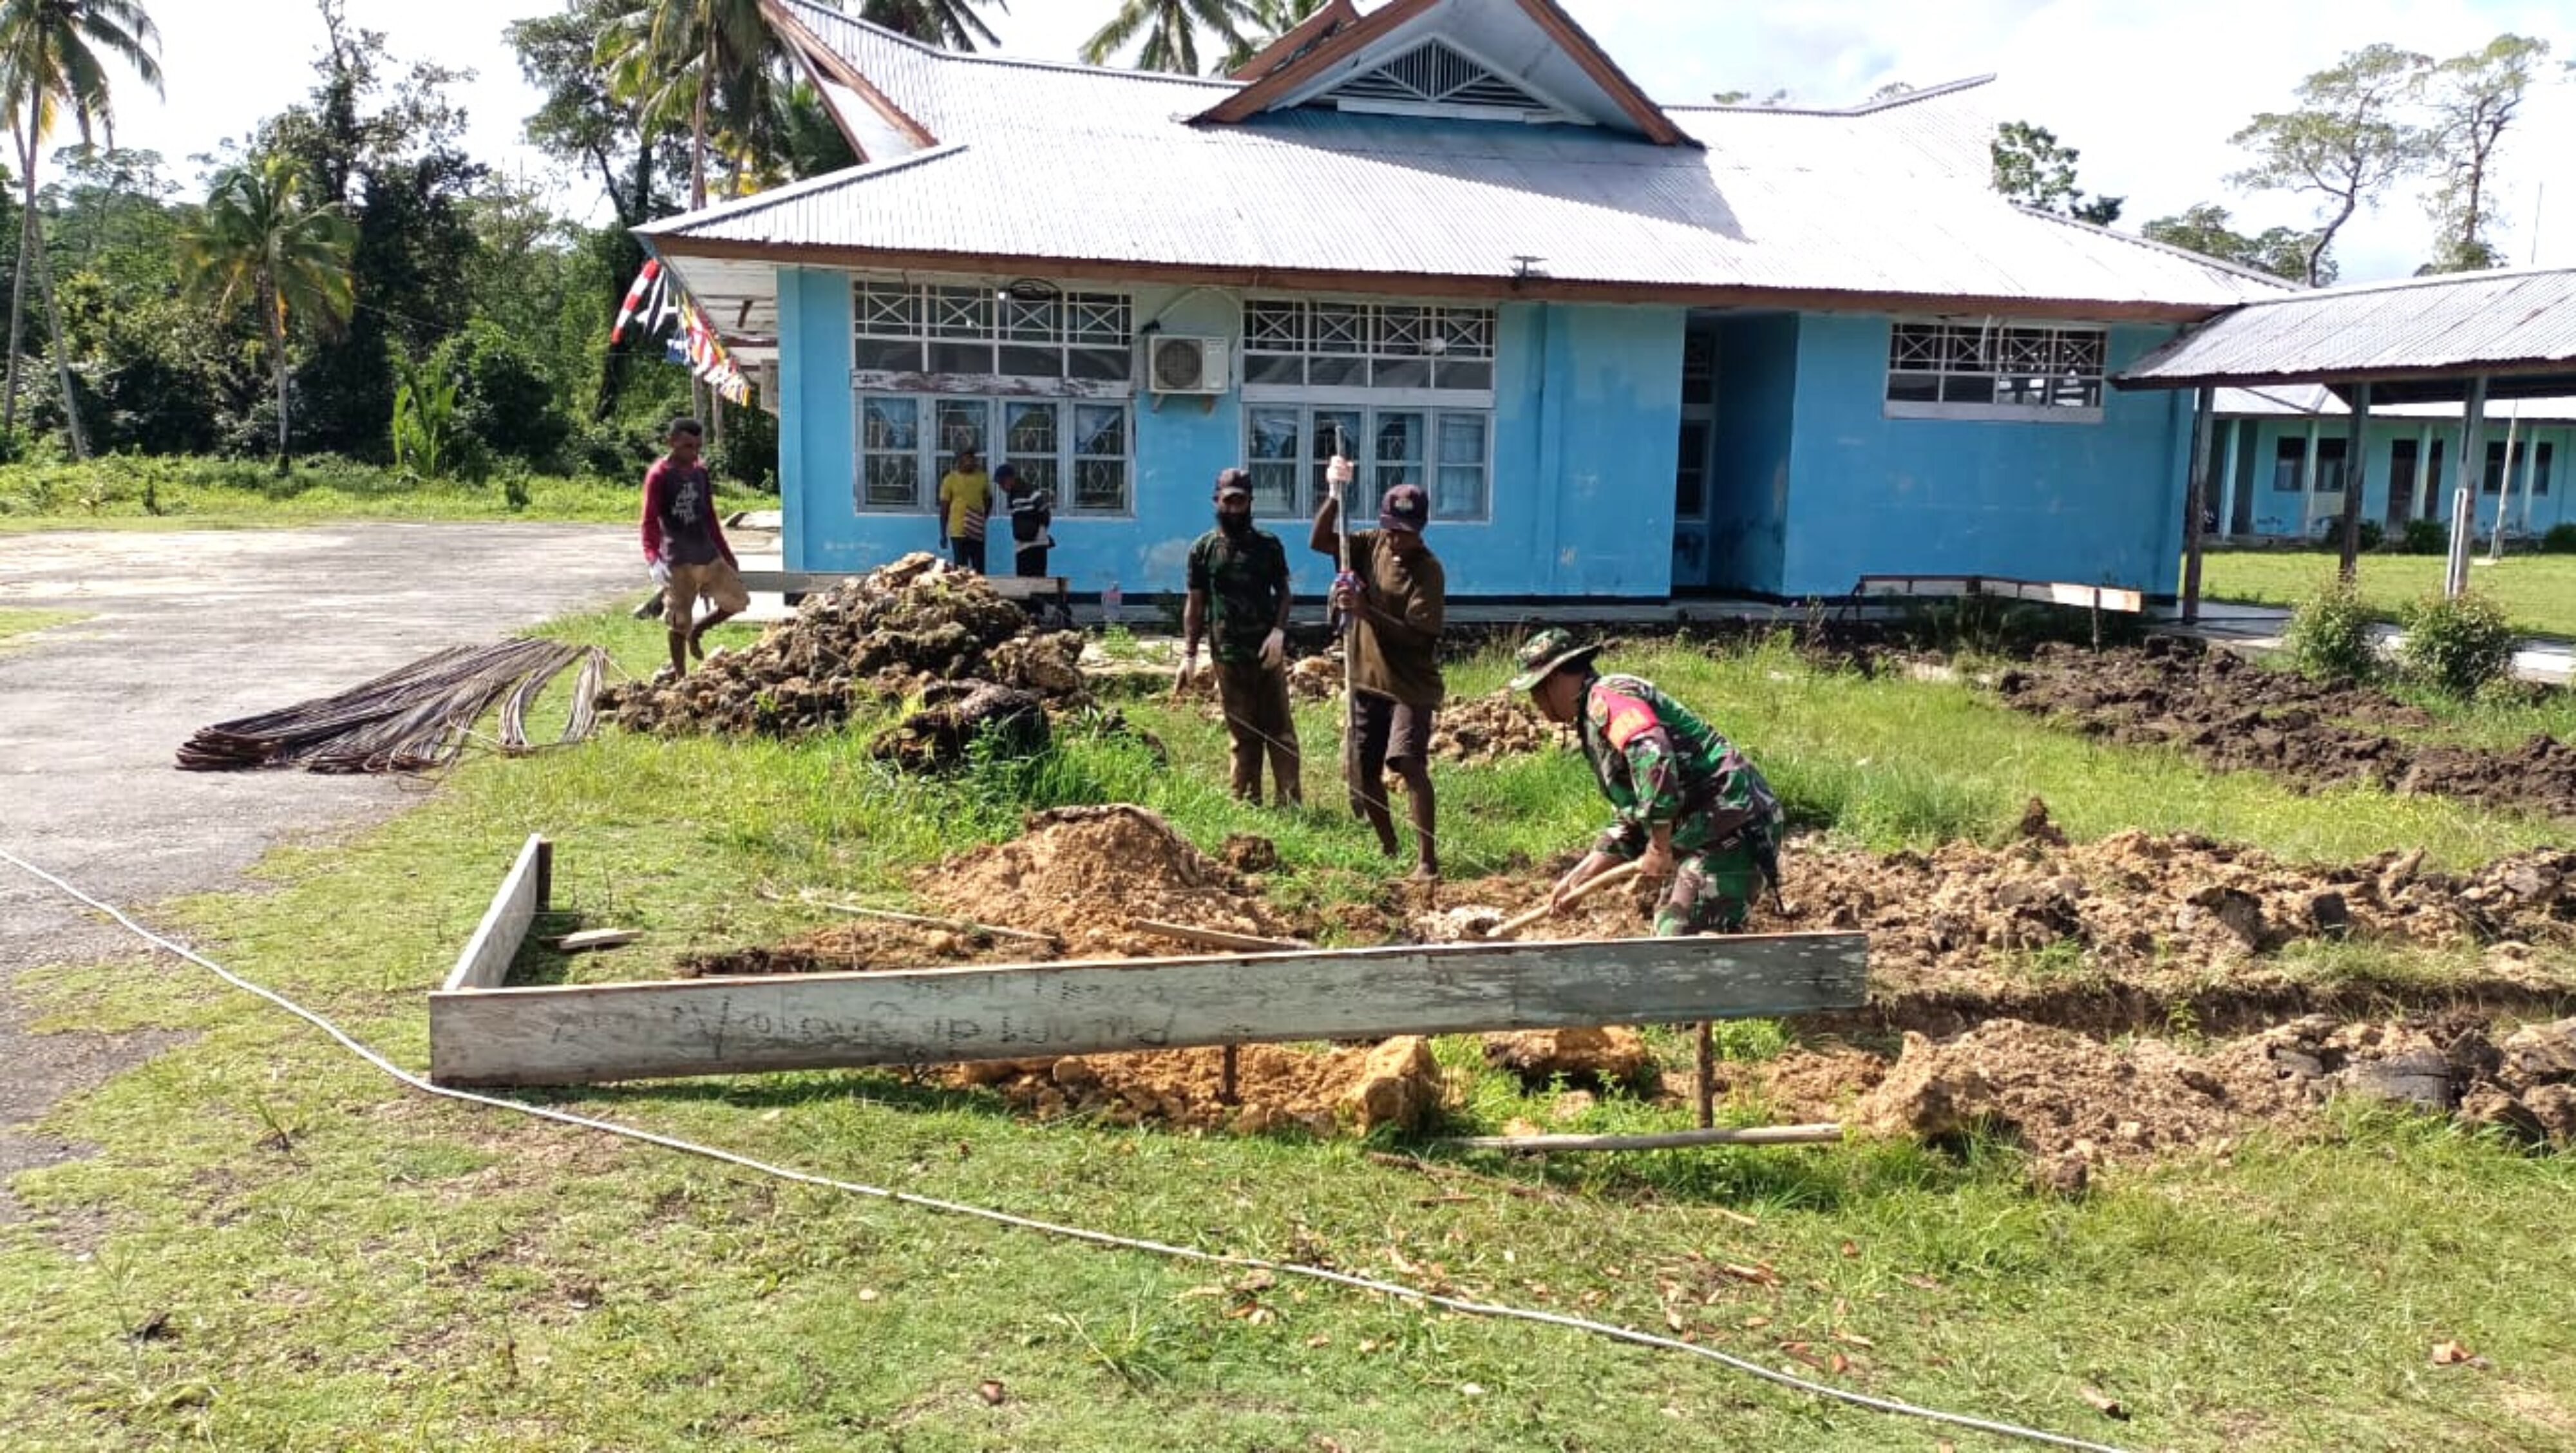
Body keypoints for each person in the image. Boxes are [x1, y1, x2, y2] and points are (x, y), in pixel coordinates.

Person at [1511, 629, 1784, 935]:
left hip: (1732, 824)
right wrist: (1581, 877)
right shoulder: (1594, 717)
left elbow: (1653, 757)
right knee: (1673, 935)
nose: (1535, 701)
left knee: (1681, 939)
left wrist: (1659, 844)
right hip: (1707, 831)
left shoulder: (1607, 697)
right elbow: (1633, 816)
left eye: (1536, 690)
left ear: (1555, 679)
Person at [1311, 458, 1444, 878]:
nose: (1395, 538)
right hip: (1368, 680)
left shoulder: (1428, 572)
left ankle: (1427, 861)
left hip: (1409, 686)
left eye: (1404, 532)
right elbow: (1320, 541)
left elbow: (1417, 637)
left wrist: (1367, 612)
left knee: (1406, 764)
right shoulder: (1370, 544)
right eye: (1390, 528)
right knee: (1363, 771)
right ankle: (1388, 847)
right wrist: (1333, 496)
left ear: (1419, 529)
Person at [1177, 469, 1300, 806]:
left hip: (1266, 651)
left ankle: (1289, 800)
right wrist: (1189, 654)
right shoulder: (1203, 550)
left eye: (1240, 500)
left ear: (1250, 502)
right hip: (1226, 653)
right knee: (1242, 732)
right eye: (1228, 500)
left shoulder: (1268, 546)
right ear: (1216, 501)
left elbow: (1285, 592)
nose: (1234, 508)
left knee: (1279, 729)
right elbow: (1196, 602)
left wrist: (1278, 632)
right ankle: (1247, 801)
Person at [639, 417, 746, 678]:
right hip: (678, 560)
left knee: (737, 601)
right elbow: (649, 520)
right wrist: (654, 558)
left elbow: (710, 517)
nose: (693, 453)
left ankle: (698, 631)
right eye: (688, 446)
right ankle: (680, 677)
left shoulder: (700, 472)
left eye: (698, 447)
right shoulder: (659, 475)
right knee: (678, 622)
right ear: (672, 443)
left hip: (707, 555)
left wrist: (727, 554)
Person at [938, 446, 991, 572]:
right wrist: (943, 534)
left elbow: (989, 500)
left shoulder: (982, 477)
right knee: (961, 570)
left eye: (973, 458)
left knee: (979, 569)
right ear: (959, 461)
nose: (972, 461)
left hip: (976, 530)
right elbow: (944, 508)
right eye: (968, 458)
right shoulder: (950, 480)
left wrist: (982, 519)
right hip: (958, 531)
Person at [1000, 462, 1054, 578]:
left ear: (1010, 479)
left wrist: (1038, 531)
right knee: (1024, 582)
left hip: (1037, 543)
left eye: (1002, 483)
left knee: (1038, 580)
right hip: (1022, 545)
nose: (1001, 487)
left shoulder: (1031, 491)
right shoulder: (1013, 497)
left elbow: (1045, 513)